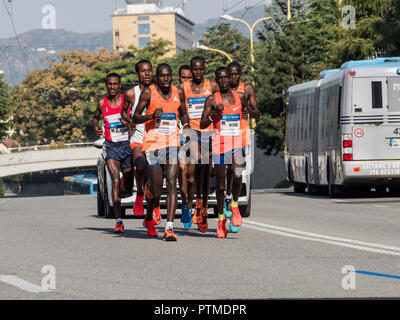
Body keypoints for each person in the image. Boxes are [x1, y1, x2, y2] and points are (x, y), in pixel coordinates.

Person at [133, 63, 190, 241]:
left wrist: (186, 128)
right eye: (162, 76)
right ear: (157, 77)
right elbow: (135, 117)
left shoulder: (178, 92)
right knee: (157, 189)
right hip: (153, 143)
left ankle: (169, 227)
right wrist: (150, 116)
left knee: (172, 182)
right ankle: (149, 202)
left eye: (169, 76)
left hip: (172, 142)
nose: (166, 79)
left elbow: (183, 113)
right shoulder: (149, 92)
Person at [200, 67, 246, 238]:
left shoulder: (239, 97)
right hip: (219, 144)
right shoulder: (212, 99)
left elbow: (248, 111)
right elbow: (203, 123)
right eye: (221, 78)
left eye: (226, 77)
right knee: (220, 186)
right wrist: (214, 115)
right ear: (217, 81)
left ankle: (234, 204)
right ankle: (220, 218)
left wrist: (249, 113)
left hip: (236, 142)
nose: (224, 81)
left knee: (237, 171)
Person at [181, 56, 219, 233]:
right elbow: (179, 108)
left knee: (205, 170)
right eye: (194, 69)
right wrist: (186, 126)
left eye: (200, 69)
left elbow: (226, 98)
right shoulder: (184, 88)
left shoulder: (211, 86)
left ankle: (202, 204)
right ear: (191, 70)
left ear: (204, 69)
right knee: (192, 172)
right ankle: (191, 204)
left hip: (208, 132)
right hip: (192, 132)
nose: (197, 72)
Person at [93, 73, 134, 233]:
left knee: (129, 185)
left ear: (119, 85)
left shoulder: (127, 100)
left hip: (127, 146)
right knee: (115, 181)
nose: (112, 87)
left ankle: (127, 185)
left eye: (115, 84)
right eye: (109, 84)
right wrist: (96, 126)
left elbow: (136, 117)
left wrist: (129, 122)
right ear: (106, 85)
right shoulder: (102, 103)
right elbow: (95, 118)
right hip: (111, 147)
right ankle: (118, 221)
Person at [224, 62, 260, 223]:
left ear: (240, 74)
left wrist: (247, 109)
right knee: (226, 169)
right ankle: (226, 194)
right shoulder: (220, 89)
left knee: (236, 171)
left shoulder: (247, 89)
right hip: (222, 137)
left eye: (236, 74)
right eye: (230, 74)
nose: (233, 77)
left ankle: (234, 202)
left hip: (240, 135)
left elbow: (257, 114)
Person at [121, 59, 154, 219]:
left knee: (155, 174)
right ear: (137, 74)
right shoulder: (130, 93)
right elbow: (123, 112)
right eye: (143, 71)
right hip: (139, 135)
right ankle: (140, 194)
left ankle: (152, 206)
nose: (147, 73)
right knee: (140, 165)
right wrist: (129, 120)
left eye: (149, 70)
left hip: (156, 136)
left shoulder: (158, 91)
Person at [177, 65, 194, 229]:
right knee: (181, 171)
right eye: (184, 78)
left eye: (190, 78)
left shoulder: (199, 92)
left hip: (196, 135)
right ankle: (185, 208)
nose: (187, 81)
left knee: (192, 176)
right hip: (178, 136)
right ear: (178, 77)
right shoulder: (175, 92)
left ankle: (191, 203)